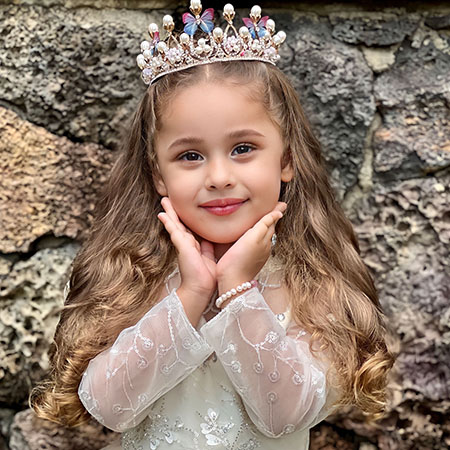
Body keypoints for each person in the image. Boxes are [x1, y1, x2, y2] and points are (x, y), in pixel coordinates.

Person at [30, 2, 395, 449]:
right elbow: (109, 407)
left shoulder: (311, 284)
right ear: (158, 174)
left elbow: (286, 415)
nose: (219, 176)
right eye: (190, 156)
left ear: (286, 160)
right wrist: (191, 295)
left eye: (243, 148)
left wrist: (239, 291)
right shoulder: (139, 277)